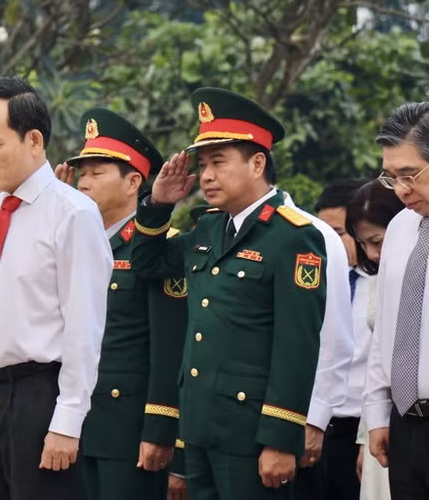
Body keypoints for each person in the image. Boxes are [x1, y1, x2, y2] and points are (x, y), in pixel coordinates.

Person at [131, 87, 327, 500]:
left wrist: (279, 438)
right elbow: (147, 265)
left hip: (252, 435)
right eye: (203, 165)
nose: (206, 176)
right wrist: (157, 206)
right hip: (200, 428)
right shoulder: (207, 229)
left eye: (218, 163)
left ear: (258, 163)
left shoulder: (294, 237)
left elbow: (298, 345)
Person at [0, 77, 112, 500]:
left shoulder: (73, 213)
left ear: (34, 140)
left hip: (39, 396)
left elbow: (84, 325)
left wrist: (68, 419)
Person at [55, 108, 187, 500]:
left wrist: (161, 430)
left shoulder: (158, 248)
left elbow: (168, 347)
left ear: (133, 182)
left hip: (128, 429)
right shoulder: (74, 242)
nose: (84, 181)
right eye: (82, 172)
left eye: (97, 172)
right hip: (71, 423)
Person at [365, 102, 429, 499]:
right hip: (404, 427)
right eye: (391, 177)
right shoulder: (399, 228)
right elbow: (387, 330)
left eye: (409, 175)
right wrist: (378, 415)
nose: (400, 190)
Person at [289, 179, 367, 500]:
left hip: (358, 433)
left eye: (337, 233)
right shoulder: (309, 283)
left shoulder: (382, 283)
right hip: (308, 427)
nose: (327, 243)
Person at [345, 180, 403, 500]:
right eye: (364, 243)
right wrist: (366, 436)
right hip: (380, 423)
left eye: (377, 241)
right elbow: (376, 365)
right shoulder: (377, 279)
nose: (372, 254)